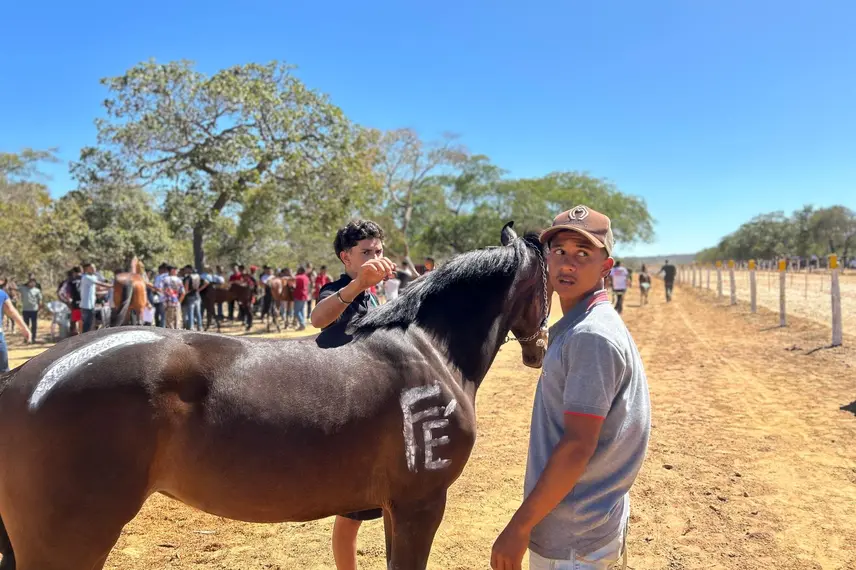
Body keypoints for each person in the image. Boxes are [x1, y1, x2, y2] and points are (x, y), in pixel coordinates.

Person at [491, 205, 650, 570]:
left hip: (573, 540)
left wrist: (519, 527)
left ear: (606, 268)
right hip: (587, 523)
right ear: (545, 259)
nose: (568, 264)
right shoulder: (585, 324)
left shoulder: (591, 336)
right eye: (559, 251)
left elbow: (578, 446)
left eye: (583, 254)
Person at [309, 219, 396, 570]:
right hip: (344, 408)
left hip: (373, 411)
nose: (375, 257)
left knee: (385, 504)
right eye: (366, 252)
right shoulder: (338, 287)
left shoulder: (374, 295)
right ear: (346, 257)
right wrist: (359, 284)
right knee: (350, 515)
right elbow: (318, 318)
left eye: (378, 251)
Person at [0, 283, 31, 371]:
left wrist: (24, 328)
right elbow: (11, 311)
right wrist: (24, 328)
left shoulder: (2, 294)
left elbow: (11, 311)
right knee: (3, 373)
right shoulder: (1, 294)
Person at [79, 263, 112, 333]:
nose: (94, 269)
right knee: (87, 323)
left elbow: (97, 288)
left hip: (90, 304)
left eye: (94, 267)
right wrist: (111, 286)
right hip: (87, 305)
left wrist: (107, 289)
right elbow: (100, 284)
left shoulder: (91, 277)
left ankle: (86, 337)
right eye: (92, 268)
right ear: (86, 269)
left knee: (90, 322)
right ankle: (84, 338)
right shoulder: (86, 277)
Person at [181, 265, 208, 331]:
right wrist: (199, 290)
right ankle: (200, 326)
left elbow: (186, 289)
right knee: (198, 312)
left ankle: (191, 327)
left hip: (190, 296)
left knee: (190, 312)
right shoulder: (198, 276)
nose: (185, 270)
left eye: (186, 269)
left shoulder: (188, 278)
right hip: (197, 295)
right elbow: (207, 282)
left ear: (189, 269)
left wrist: (185, 293)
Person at [18, 276, 43, 343]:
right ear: (28, 283)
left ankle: (33, 338)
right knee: (25, 325)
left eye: (33, 282)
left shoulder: (37, 290)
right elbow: (15, 288)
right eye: (30, 282)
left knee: (34, 325)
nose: (32, 284)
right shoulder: (23, 288)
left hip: (34, 310)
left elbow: (40, 300)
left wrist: (40, 309)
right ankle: (26, 338)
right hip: (25, 310)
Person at [292, 267, 309, 331]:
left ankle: (302, 324)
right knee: (301, 310)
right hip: (304, 295)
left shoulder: (298, 277)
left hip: (298, 295)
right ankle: (302, 324)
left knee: (296, 311)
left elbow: (292, 278)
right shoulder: (306, 277)